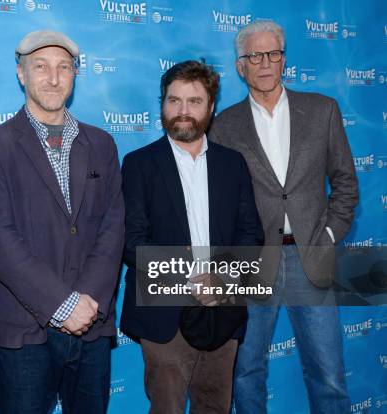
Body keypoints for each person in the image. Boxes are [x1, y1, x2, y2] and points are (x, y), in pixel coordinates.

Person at [209, 20, 358, 414]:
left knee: (328, 374)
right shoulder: (223, 126)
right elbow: (219, 203)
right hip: (253, 263)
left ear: (284, 60)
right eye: (254, 56)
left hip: (311, 256)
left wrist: (326, 235)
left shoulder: (323, 110)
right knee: (246, 371)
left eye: (272, 54)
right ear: (240, 66)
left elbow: (345, 182)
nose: (264, 63)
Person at [0, 30, 124, 414]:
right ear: (21, 74)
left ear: (75, 75)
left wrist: (83, 305)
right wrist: (61, 304)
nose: (53, 78)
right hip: (25, 333)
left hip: (92, 326)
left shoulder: (102, 144)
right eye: (40, 67)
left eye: (63, 68)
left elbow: (112, 228)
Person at [120, 60, 264, 414]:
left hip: (224, 308)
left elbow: (251, 234)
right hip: (163, 312)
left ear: (211, 107)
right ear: (162, 104)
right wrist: (190, 277)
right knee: (166, 407)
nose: (182, 111)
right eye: (174, 100)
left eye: (194, 101)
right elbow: (132, 241)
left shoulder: (233, 163)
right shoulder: (138, 164)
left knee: (215, 406)